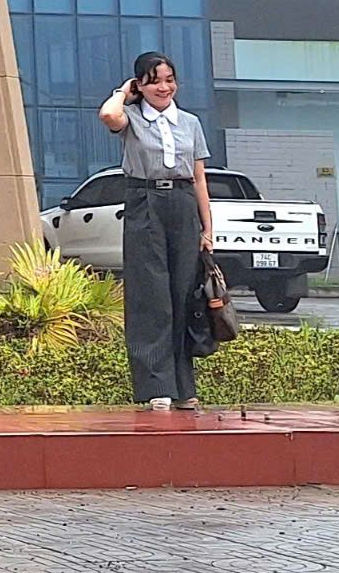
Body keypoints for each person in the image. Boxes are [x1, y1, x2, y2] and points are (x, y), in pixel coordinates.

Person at [99, 50, 214, 411]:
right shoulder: (131, 118)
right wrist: (123, 91)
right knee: (151, 297)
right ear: (140, 85)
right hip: (144, 202)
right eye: (154, 81)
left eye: (169, 80)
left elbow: (199, 179)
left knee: (183, 295)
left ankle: (183, 387)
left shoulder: (190, 123)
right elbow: (108, 115)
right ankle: (155, 387)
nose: (164, 87)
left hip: (181, 204)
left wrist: (207, 228)